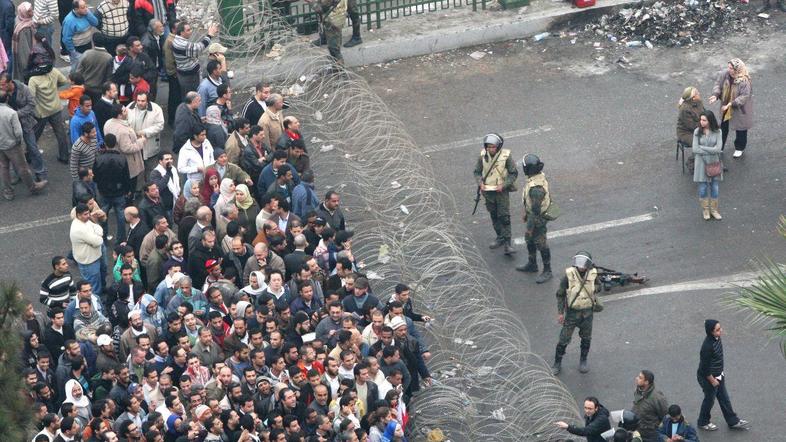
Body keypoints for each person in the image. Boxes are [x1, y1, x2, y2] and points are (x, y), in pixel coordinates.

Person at [551, 251, 599, 375]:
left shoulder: (593, 274)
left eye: (584, 263)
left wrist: (594, 289)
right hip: (572, 313)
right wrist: (560, 313)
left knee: (586, 338)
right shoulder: (568, 275)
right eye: (579, 262)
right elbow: (560, 294)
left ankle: (583, 360)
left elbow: (598, 286)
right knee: (563, 339)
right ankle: (557, 362)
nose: (581, 266)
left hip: (587, 313)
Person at [696, 319, 748, 431]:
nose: (721, 331)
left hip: (718, 375)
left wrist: (720, 373)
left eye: (720, 328)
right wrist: (712, 380)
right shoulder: (707, 347)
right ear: (711, 332)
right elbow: (704, 368)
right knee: (709, 400)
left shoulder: (717, 338)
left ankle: (733, 421)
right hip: (708, 378)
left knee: (724, 398)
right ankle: (703, 421)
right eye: (718, 330)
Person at [473, 133, 517, 255]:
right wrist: (480, 183)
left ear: (498, 147)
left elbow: (513, 173)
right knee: (494, 215)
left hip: (501, 192)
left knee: (505, 217)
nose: (491, 149)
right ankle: (500, 237)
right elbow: (477, 171)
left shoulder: (506, 156)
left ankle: (508, 243)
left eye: (493, 147)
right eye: (489, 147)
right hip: (488, 192)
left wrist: (504, 185)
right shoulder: (482, 156)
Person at [0, 90, 47, 200]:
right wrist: (19, 142)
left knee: (4, 168)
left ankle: (8, 191)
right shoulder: (11, 113)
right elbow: (18, 132)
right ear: (7, 99)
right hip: (12, 145)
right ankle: (32, 186)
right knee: (22, 167)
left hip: (1, 145)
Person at [514, 153, 554, 282]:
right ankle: (532, 264)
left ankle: (547, 270)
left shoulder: (536, 188)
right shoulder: (536, 178)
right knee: (529, 240)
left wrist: (530, 228)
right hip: (533, 215)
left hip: (538, 219)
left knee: (540, 243)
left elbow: (536, 211)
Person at [709, 58, 753, 159]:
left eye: (731, 68)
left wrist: (732, 103)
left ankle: (739, 148)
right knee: (723, 127)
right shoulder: (724, 74)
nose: (729, 69)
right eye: (728, 67)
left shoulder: (744, 80)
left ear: (737, 69)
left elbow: (744, 96)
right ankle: (720, 146)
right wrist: (716, 95)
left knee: (741, 128)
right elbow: (718, 85)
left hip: (739, 108)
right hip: (726, 105)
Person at [94, 133, 131, 242]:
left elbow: (95, 176)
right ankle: (121, 238)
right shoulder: (122, 158)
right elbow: (126, 177)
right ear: (116, 143)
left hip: (104, 191)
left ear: (105, 143)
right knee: (120, 214)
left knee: (103, 213)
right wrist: (127, 190)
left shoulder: (99, 159)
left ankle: (103, 236)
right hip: (119, 191)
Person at [104, 103, 145, 191]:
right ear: (119, 115)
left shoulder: (108, 123)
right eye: (124, 111)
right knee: (130, 185)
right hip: (129, 162)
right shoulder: (122, 130)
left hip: (115, 159)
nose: (127, 112)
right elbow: (127, 148)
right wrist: (141, 141)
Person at [172, 20, 219, 98]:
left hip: (186, 75)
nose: (191, 32)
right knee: (192, 98)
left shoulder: (177, 40)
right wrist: (210, 35)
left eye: (190, 29)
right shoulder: (182, 45)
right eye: (188, 30)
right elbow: (199, 48)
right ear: (181, 33)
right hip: (189, 77)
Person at [692, 110, 723, 221]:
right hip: (701, 164)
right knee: (703, 188)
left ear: (710, 121)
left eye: (704, 120)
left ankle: (714, 210)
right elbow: (695, 149)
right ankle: (705, 209)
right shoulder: (697, 131)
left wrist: (703, 148)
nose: (701, 122)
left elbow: (718, 149)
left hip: (713, 163)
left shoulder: (718, 131)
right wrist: (712, 150)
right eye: (701, 120)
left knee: (715, 187)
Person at [70, 203, 105, 296]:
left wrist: (97, 235)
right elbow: (98, 242)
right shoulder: (78, 229)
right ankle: (96, 301)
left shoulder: (85, 221)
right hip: (89, 262)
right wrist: (98, 236)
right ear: (78, 215)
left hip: (93, 257)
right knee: (93, 285)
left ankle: (99, 295)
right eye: (85, 214)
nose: (88, 216)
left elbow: (98, 228)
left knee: (98, 280)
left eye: (88, 213)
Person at [126, 91, 164, 174]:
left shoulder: (156, 109)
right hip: (134, 144)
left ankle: (150, 186)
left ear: (147, 101)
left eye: (143, 101)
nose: (140, 103)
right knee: (135, 169)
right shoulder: (129, 107)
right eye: (138, 100)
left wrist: (144, 132)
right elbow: (124, 121)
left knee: (150, 170)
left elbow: (160, 125)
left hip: (149, 144)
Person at [61, 0, 99, 71]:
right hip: (77, 49)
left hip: (88, 45)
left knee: (87, 66)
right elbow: (66, 39)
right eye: (82, 7)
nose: (86, 9)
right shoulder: (69, 21)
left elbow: (96, 23)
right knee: (77, 68)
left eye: (86, 6)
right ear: (76, 9)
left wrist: (88, 14)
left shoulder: (86, 13)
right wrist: (73, 51)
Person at [632, 370, 669, 442]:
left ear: (646, 382)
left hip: (650, 434)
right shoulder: (638, 390)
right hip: (638, 429)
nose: (636, 378)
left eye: (640, 378)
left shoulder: (657, 397)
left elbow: (664, 415)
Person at [76, 33, 113, 101]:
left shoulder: (86, 54)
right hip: (99, 90)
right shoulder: (109, 57)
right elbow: (109, 77)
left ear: (93, 42)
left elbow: (78, 72)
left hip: (85, 87)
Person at [676, 87, 704, 171]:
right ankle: (691, 162)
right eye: (697, 93)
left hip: (699, 127)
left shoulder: (699, 102)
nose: (699, 94)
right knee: (701, 142)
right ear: (693, 97)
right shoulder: (684, 109)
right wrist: (706, 127)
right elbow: (691, 125)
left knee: (712, 138)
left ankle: (712, 162)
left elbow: (704, 114)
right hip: (686, 133)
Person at [310, 0, 347, 65]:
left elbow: (320, 9)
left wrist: (311, 2)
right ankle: (336, 68)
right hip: (338, 16)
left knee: (334, 49)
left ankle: (339, 72)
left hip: (332, 20)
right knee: (336, 44)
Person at [12, 2, 36, 82]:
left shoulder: (22, 19)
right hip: (26, 61)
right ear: (24, 13)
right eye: (29, 11)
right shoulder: (23, 29)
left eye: (31, 9)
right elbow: (24, 51)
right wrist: (29, 66)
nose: (32, 11)